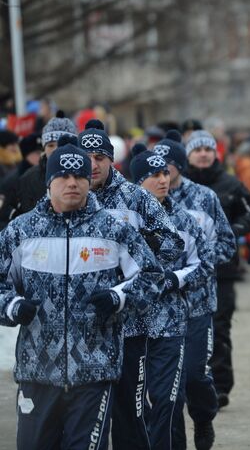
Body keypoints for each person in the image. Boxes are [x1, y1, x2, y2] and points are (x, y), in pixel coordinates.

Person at [0, 135, 164, 450]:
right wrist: (12, 306)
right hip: (37, 370)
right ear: (49, 182)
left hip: (94, 368)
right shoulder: (21, 231)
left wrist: (120, 298)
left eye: (79, 176)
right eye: (63, 175)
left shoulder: (114, 230)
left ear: (89, 182)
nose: (72, 183)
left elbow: (152, 277)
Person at [76, 119, 185, 448]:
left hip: (130, 326)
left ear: (111, 159)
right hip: (83, 327)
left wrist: (142, 259)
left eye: (99, 156)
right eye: (86, 156)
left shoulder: (135, 197)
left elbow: (173, 243)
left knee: (130, 415)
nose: (92, 164)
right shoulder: (67, 197)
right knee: (85, 419)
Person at [130, 145, 215, 449]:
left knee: (169, 399)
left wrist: (175, 279)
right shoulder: (121, 220)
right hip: (130, 324)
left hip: (171, 322)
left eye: (165, 172)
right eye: (153, 175)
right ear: (137, 182)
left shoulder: (185, 220)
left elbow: (204, 264)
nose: (163, 179)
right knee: (136, 406)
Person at [159, 130, 236, 450]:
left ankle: (203, 418)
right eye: (155, 168)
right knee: (167, 388)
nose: (161, 174)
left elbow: (227, 244)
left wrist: (197, 267)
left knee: (194, 374)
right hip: (160, 307)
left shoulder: (204, 197)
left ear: (179, 165)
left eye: (166, 167)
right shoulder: (144, 199)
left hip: (197, 303)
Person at [185, 130, 250, 410]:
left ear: (216, 153)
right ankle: (188, 385)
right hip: (186, 275)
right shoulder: (178, 185)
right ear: (188, 154)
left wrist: (234, 231)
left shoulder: (231, 184)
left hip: (222, 272)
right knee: (187, 330)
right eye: (197, 149)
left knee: (220, 328)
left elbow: (249, 213)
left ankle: (221, 387)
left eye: (207, 149)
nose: (203, 154)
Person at [0, 114, 78, 227]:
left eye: (61, 144)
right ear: (44, 148)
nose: (56, 150)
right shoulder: (28, 178)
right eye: (50, 145)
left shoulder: (89, 176)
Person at [0, 132, 41, 229]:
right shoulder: (13, 179)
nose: (15, 148)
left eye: (16, 144)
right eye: (11, 144)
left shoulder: (17, 167)